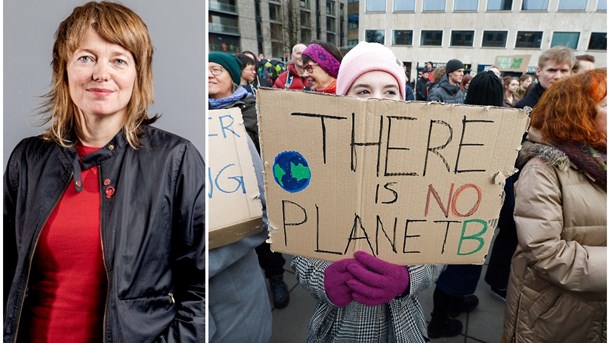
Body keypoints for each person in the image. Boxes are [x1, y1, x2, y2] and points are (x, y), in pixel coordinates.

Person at [3, 2, 205, 342]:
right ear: (63, 69)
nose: (101, 73)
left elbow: (200, 288)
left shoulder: (175, 159)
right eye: (86, 57)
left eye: (119, 60)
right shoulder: (27, 159)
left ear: (138, 74)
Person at [293, 41, 445, 342]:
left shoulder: (424, 163)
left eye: (389, 91)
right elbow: (295, 239)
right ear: (343, 96)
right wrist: (322, 279)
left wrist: (408, 278)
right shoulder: (318, 162)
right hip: (337, 324)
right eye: (363, 90)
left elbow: (440, 245)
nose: (377, 100)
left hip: (400, 325)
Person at [503, 68, 607, 343]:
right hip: (556, 314)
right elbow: (545, 252)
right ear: (578, 113)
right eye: (607, 104)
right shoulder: (544, 169)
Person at [484, 46, 576, 300]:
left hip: (546, 183)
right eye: (552, 70)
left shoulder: (563, 101)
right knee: (512, 232)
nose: (558, 75)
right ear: (539, 71)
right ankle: (497, 281)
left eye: (564, 70)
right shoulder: (527, 106)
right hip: (520, 181)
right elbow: (511, 150)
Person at [427, 70, 504, 339]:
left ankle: (455, 301)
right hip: (465, 211)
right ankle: (438, 321)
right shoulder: (495, 131)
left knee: (465, 264)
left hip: (469, 210)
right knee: (457, 266)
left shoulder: (461, 123)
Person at [208, 51, 273, 342]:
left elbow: (260, 212)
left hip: (232, 302)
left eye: (216, 69)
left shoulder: (243, 115)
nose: (208, 74)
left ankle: (277, 279)